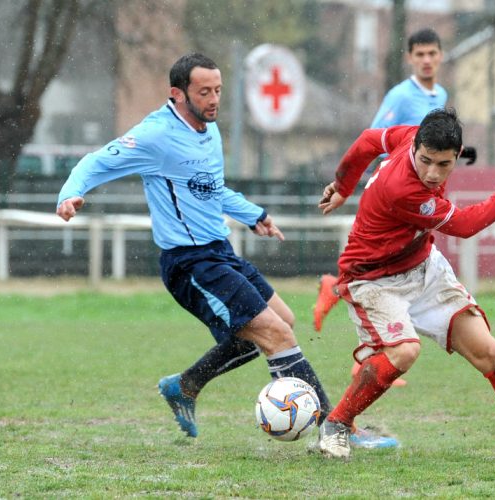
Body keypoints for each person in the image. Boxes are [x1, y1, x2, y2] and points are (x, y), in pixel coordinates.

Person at [55, 53, 396, 449]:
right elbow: (96, 161)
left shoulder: (208, 130)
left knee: (282, 320)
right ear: (177, 94)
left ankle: (186, 385)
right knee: (275, 333)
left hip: (220, 251)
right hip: (190, 263)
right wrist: (71, 193)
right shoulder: (155, 135)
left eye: (217, 89)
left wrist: (254, 215)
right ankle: (336, 429)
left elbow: (211, 189)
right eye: (204, 92)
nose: (214, 99)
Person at [314, 107, 495, 460]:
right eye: (426, 161)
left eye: (444, 164)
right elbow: (466, 225)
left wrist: (344, 187)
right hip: (374, 280)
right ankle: (337, 423)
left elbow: (365, 142)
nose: (433, 173)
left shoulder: (409, 136)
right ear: (415, 147)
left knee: (493, 355)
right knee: (404, 352)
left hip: (423, 268)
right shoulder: (402, 189)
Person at [313, 28, 448, 336]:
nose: (427, 60)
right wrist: (379, 186)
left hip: (423, 193)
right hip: (397, 196)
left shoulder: (440, 96)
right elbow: (373, 139)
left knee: (399, 272)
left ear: (441, 56)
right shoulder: (400, 96)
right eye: (420, 54)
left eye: (432, 54)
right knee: (389, 272)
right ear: (409, 58)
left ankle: (337, 291)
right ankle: (338, 292)